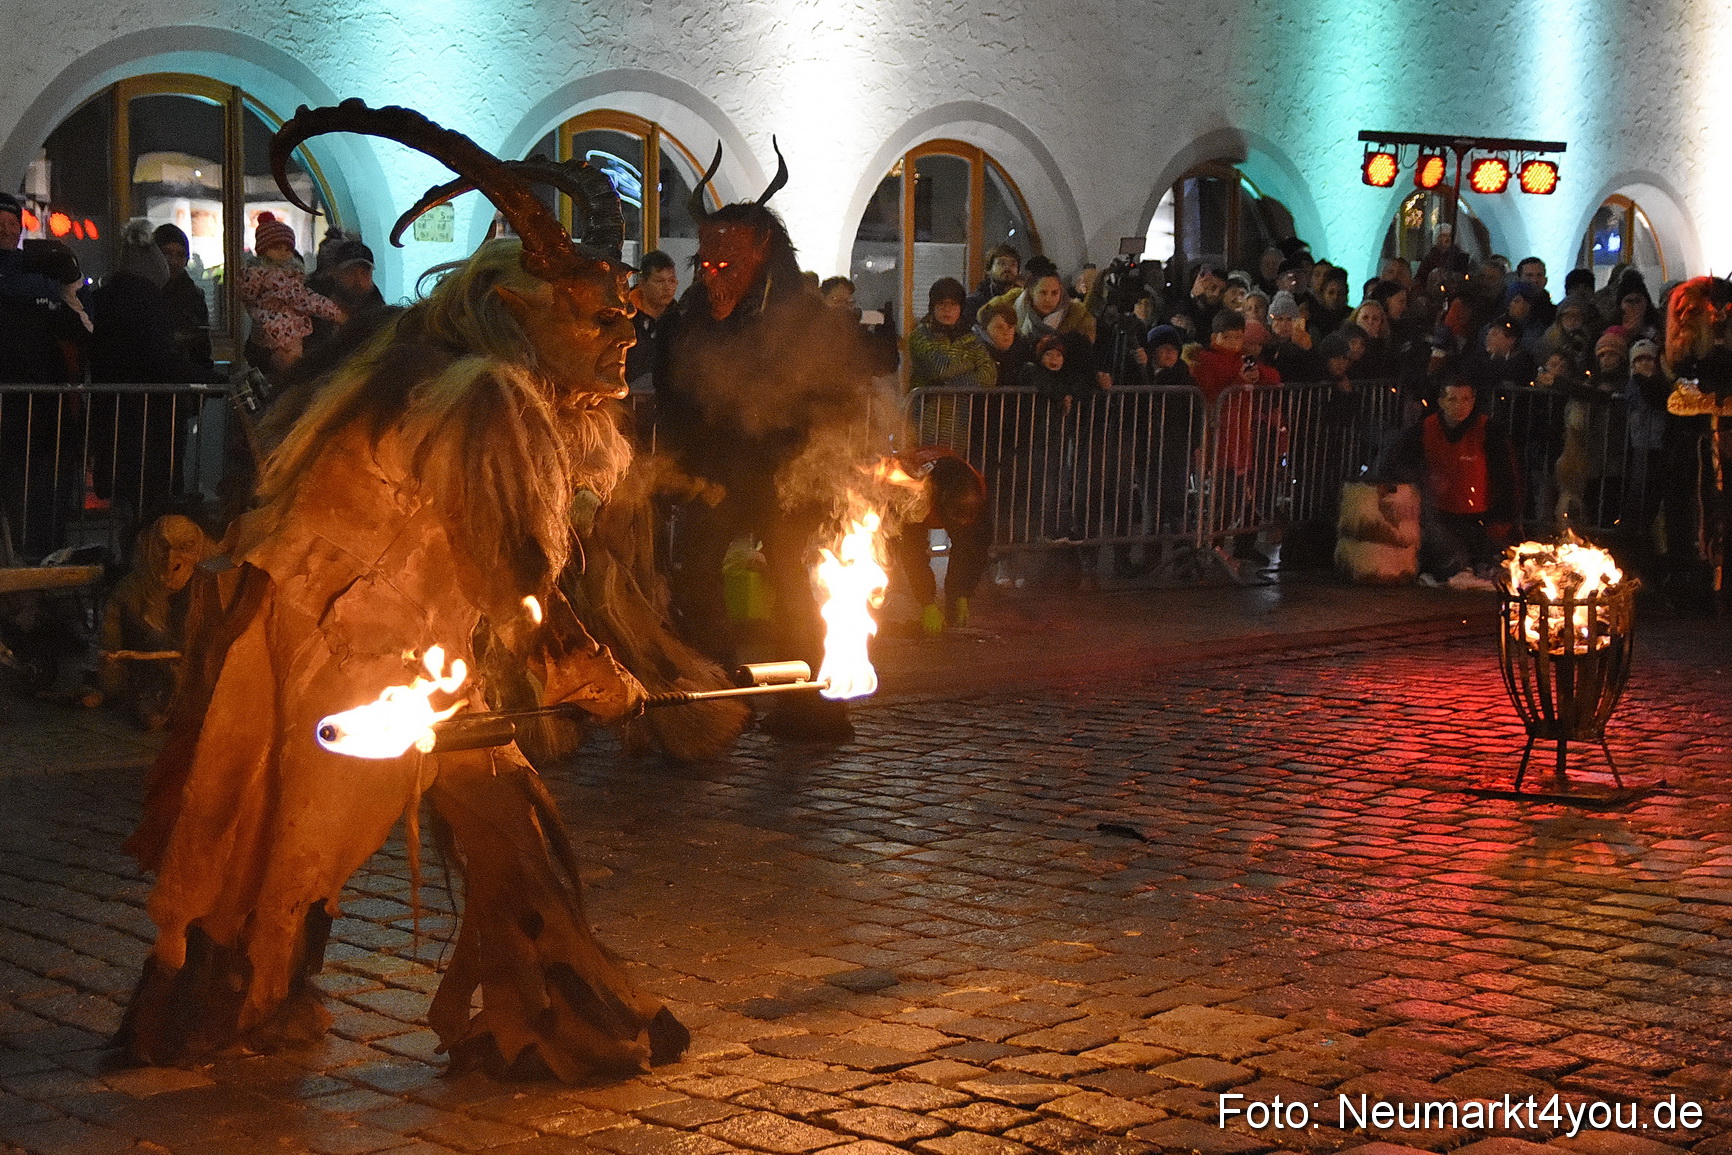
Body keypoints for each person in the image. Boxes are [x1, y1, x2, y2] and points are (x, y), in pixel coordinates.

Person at [117, 102, 686, 1079]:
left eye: (627, 318)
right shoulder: (479, 396)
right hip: (326, 651)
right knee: (266, 853)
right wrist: (586, 670)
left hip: (397, 647)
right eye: (598, 318)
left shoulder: (449, 373)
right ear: (520, 310)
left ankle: (542, 1012)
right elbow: (511, 571)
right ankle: (218, 1013)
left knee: (499, 822)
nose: (623, 336)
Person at [659, 144, 889, 741]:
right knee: (695, 574)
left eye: (727, 263)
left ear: (761, 254)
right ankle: (722, 694)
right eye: (706, 264)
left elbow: (835, 392)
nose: (714, 275)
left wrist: (817, 471)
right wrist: (689, 468)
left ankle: (813, 702)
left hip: (786, 472)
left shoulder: (802, 315)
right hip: (717, 472)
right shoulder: (689, 316)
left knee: (789, 580)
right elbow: (675, 390)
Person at [1376, 378, 1519, 585]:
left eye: (1465, 399)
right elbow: (1399, 466)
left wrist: (1504, 518)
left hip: (1482, 518)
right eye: (1453, 399)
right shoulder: (1423, 430)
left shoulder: (1490, 431)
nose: (1460, 406)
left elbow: (1507, 478)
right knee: (1453, 559)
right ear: (1441, 402)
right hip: (1439, 516)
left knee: (1500, 561)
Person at [886, 447, 990, 635]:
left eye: (967, 519)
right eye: (956, 520)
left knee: (968, 542)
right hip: (894, 498)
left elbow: (975, 550)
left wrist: (962, 593)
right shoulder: (916, 494)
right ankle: (890, 596)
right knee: (894, 551)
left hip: (947, 489)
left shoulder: (976, 489)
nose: (961, 525)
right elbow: (914, 553)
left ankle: (953, 604)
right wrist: (927, 603)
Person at [238, 212, 347, 378]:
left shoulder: (260, 276)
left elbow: (248, 298)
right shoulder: (282, 279)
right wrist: (337, 314)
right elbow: (306, 299)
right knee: (292, 369)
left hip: (269, 332)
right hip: (286, 332)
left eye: (287, 248)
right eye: (276, 247)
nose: (283, 252)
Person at [909, 277, 995, 448]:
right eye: (941, 304)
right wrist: (970, 363)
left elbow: (989, 375)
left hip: (958, 422)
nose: (947, 310)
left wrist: (948, 384)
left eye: (953, 305)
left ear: (961, 308)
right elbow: (940, 369)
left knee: (952, 469)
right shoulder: (921, 335)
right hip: (924, 418)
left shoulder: (971, 339)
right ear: (933, 306)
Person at [152, 223, 216, 379]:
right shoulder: (145, 293)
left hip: (186, 376)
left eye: (180, 255)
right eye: (167, 253)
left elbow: (203, 346)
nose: (173, 261)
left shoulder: (194, 295)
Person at [624, 248, 679, 387]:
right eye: (659, 281)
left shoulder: (680, 319)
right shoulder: (624, 319)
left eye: (672, 281)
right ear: (642, 283)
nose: (667, 287)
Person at [963, 243, 1021, 322]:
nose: (1007, 268)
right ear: (988, 269)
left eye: (1013, 264)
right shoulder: (974, 304)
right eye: (1001, 263)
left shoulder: (1023, 300)